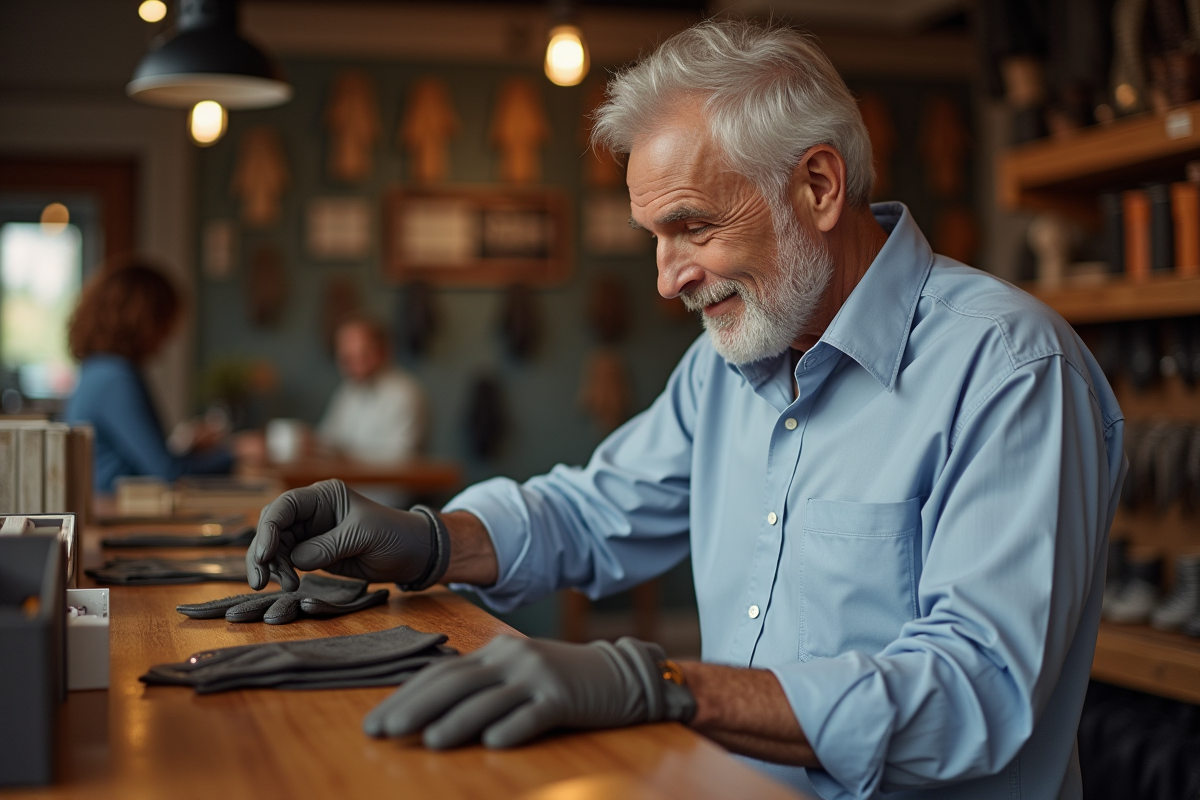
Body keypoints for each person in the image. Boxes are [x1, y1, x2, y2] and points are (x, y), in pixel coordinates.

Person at [247, 21, 1125, 799]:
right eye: (656, 240)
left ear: (818, 186)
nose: (668, 279)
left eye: (694, 227)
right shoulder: (725, 366)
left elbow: (976, 694)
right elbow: (597, 510)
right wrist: (431, 540)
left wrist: (666, 685)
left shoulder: (1010, 368)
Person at [65, 260, 253, 492]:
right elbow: (168, 473)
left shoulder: (97, 369)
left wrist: (190, 449)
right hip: (119, 514)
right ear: (144, 318)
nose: (169, 334)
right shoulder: (116, 378)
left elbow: (141, 462)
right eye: (166, 321)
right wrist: (236, 453)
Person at [315, 316, 426, 464]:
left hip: (386, 486)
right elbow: (326, 439)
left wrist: (343, 455)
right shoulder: (348, 391)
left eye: (362, 353)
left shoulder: (406, 394)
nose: (352, 364)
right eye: (346, 357)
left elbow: (401, 458)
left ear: (383, 350)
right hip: (345, 483)